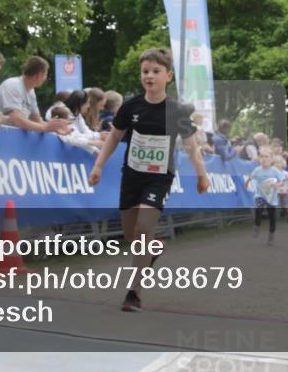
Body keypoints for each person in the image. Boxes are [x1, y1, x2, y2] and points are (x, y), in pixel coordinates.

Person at [88, 47, 208, 312]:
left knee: (143, 227)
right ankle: (153, 248)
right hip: (132, 175)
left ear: (169, 76)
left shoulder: (177, 111)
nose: (149, 76)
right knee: (133, 235)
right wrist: (98, 166)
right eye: (145, 71)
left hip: (159, 177)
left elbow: (191, 146)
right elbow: (114, 138)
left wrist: (202, 174)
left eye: (156, 71)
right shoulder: (130, 106)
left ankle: (134, 293)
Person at [0, 56, 70, 134]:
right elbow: (16, 119)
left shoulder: (31, 91)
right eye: (45, 74)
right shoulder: (13, 85)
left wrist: (55, 127)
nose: (45, 78)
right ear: (38, 75)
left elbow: (36, 119)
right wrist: (45, 128)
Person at [246, 146, 283, 246]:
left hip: (272, 198)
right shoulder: (257, 170)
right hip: (260, 196)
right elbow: (250, 177)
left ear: (271, 159)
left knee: (272, 218)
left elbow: (282, 182)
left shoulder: (275, 171)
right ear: (259, 159)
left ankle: (271, 236)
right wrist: (246, 184)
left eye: (266, 157)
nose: (264, 159)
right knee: (258, 210)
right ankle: (257, 226)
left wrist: (276, 185)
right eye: (262, 157)